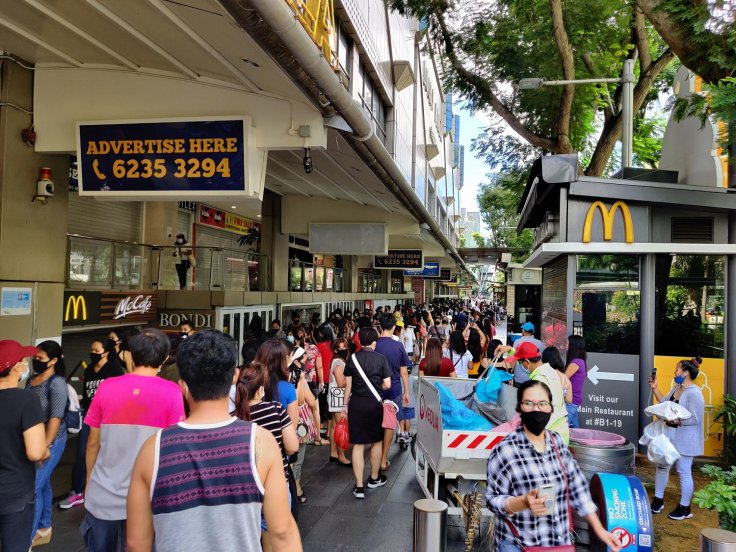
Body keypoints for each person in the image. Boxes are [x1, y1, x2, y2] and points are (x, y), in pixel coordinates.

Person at [127, 331, 302, 552]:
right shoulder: (260, 442)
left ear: (183, 385)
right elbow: (282, 532)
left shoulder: (152, 449)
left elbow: (136, 542)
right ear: (235, 377)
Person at [485, 380, 622, 552]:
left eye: (542, 403)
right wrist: (523, 502)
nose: (537, 409)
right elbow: (492, 500)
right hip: (519, 545)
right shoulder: (504, 450)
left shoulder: (556, 443)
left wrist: (600, 530)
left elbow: (578, 489)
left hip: (558, 545)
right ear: (519, 409)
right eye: (529, 403)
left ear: (551, 408)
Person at [81, 328, 185, 551]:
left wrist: (89, 481)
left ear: (129, 355)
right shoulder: (172, 392)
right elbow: (172, 448)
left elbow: (92, 442)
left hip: (103, 493)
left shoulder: (107, 387)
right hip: (149, 498)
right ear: (165, 358)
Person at [235, 362, 299, 550]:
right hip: (275, 482)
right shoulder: (276, 409)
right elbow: (292, 446)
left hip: (246, 484)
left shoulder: (234, 416)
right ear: (261, 389)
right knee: (276, 532)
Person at [60, 338, 124, 511]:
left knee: (106, 454)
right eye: (92, 350)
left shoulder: (115, 370)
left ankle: (103, 490)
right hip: (90, 415)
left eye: (97, 351)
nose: (93, 353)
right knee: (82, 453)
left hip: (109, 418)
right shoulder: (89, 369)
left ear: (106, 352)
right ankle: (77, 491)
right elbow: (86, 394)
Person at [0, 340, 47, 552]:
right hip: (14, 494)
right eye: (23, 360)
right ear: (16, 367)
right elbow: (36, 451)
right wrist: (45, 450)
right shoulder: (26, 400)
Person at [649, 356, 705, 520]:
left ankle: (685, 507)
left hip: (685, 440)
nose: (675, 372)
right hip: (669, 436)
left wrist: (675, 420)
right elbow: (665, 403)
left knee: (683, 471)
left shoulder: (695, 394)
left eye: (677, 369)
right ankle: (658, 500)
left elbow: (696, 419)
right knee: (662, 466)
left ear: (686, 372)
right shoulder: (676, 388)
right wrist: (655, 388)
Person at [26, 340, 68, 547]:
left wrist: (46, 445)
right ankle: (44, 527)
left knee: (33, 487)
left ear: (53, 361)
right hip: (33, 439)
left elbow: (55, 417)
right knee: (43, 484)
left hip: (52, 439)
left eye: (40, 358)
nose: (36, 361)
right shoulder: (32, 380)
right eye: (35, 357)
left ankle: (27, 538)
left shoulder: (57, 383)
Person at [343, 327, 391, 499]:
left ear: (359, 341)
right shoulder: (381, 359)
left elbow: (347, 385)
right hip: (374, 404)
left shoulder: (352, 358)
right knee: (376, 442)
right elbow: (387, 384)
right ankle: (374, 478)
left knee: (357, 444)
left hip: (356, 403)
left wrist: (343, 406)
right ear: (374, 342)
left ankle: (359, 486)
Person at [374, 314, 411, 471]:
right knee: (389, 425)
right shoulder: (398, 346)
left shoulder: (374, 345)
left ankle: (375, 456)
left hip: (375, 390)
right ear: (394, 327)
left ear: (380, 327)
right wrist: (407, 392)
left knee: (376, 423)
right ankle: (383, 459)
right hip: (394, 389)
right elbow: (404, 372)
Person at [328, 338, 352, 466]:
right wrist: (351, 378)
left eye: (345, 347)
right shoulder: (338, 362)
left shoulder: (338, 361)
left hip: (334, 398)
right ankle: (341, 456)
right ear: (336, 350)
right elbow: (341, 383)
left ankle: (333, 453)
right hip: (338, 399)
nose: (343, 350)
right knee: (340, 427)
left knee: (333, 427)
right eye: (340, 348)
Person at [564, 335, 587, 428]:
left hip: (570, 401)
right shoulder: (580, 361)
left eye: (567, 343)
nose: (566, 346)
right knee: (575, 431)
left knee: (561, 430)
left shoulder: (575, 362)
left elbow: (563, 379)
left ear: (573, 346)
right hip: (574, 400)